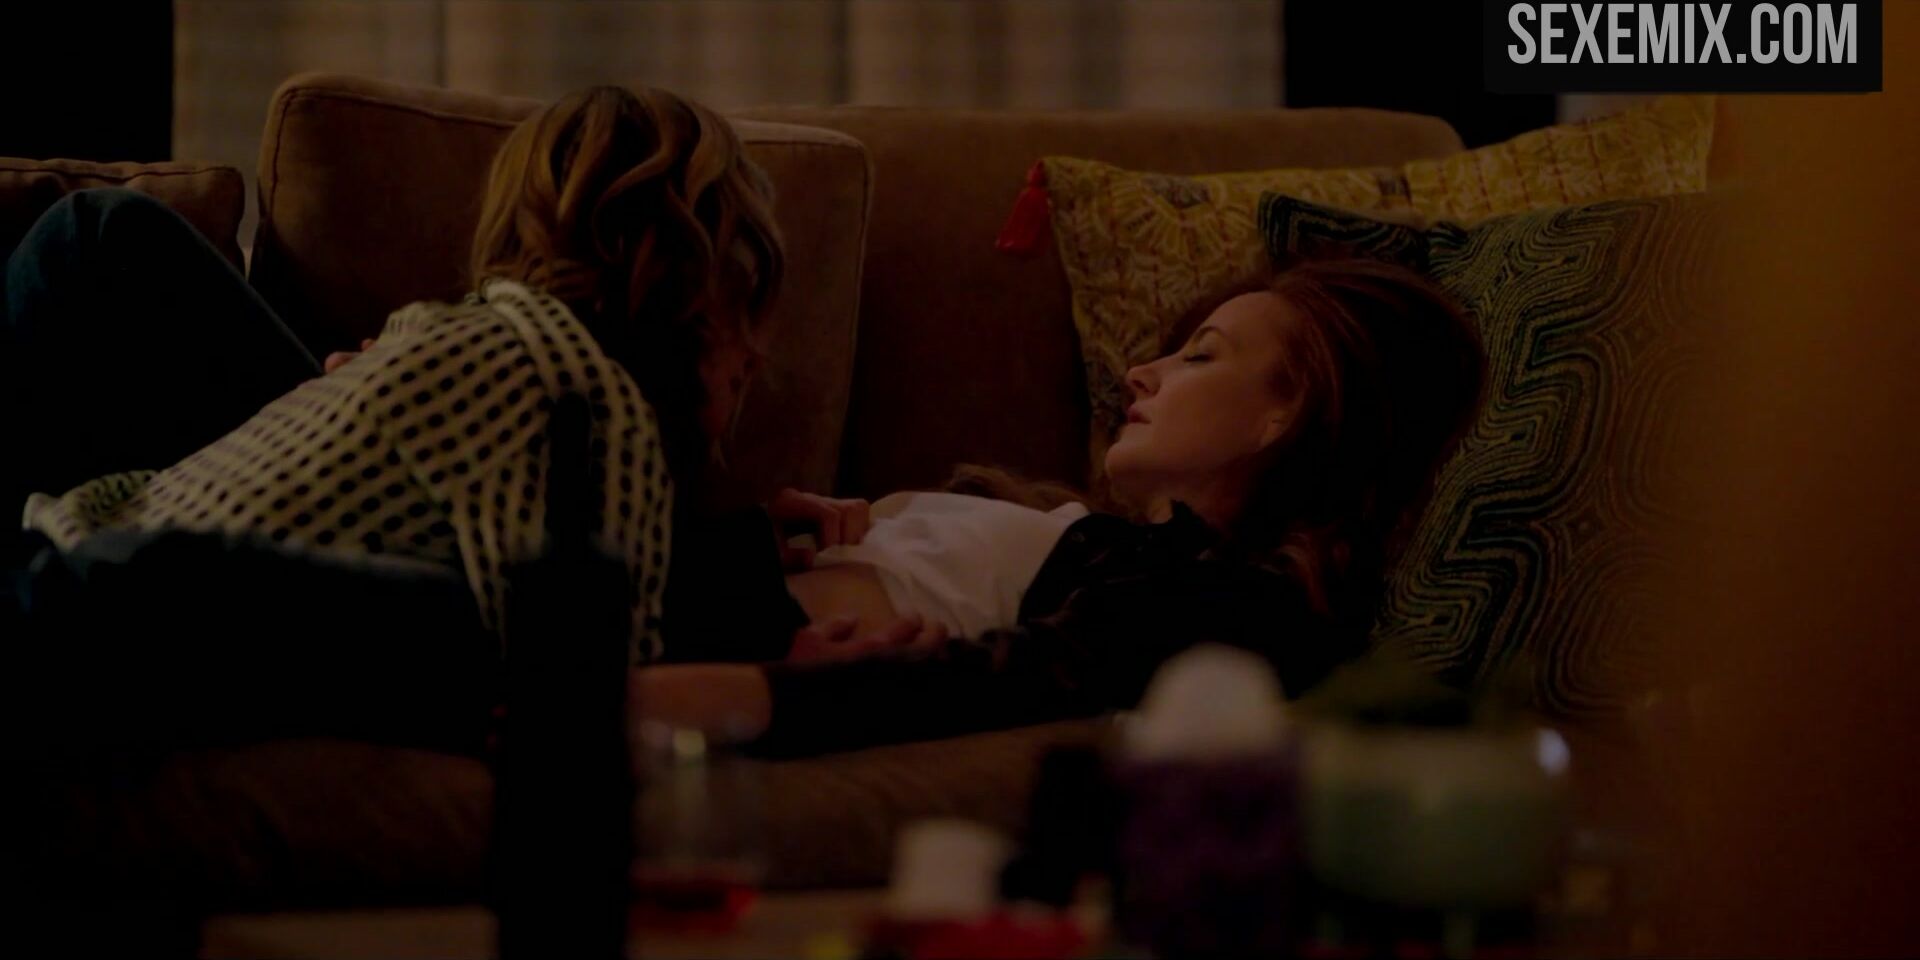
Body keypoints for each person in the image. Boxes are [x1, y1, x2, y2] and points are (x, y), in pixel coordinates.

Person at [3, 84, 784, 671]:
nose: (760, 351)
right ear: (670, 274)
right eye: (742, 297)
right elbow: (593, 683)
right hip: (76, 582)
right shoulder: (566, 391)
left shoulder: (503, 354)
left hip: (97, 547)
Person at [636, 257, 1488, 756]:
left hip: (676, 641)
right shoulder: (1105, 541)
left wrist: (723, 690)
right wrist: (766, 533)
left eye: (1200, 356)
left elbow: (986, 684)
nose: (1141, 375)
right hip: (662, 584)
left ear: (1290, 412)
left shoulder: (1225, 602)